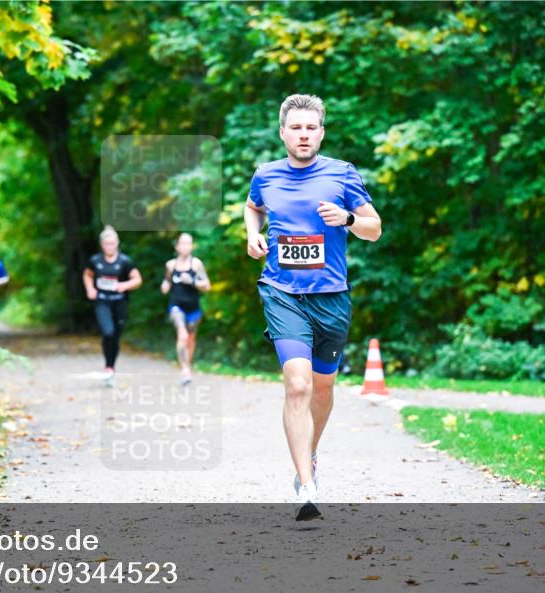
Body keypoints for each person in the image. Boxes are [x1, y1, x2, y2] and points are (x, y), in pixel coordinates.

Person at [244, 94, 383, 520]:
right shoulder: (265, 175)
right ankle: (306, 486)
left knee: (323, 388)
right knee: (299, 385)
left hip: (332, 297)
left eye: (311, 128)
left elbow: (374, 229)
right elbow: (253, 207)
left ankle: (311, 453)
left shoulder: (342, 174)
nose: (303, 135)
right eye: (296, 128)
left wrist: (346, 220)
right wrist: (253, 235)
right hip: (282, 292)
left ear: (321, 132)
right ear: (283, 132)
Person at [83, 226, 143, 386]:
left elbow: (137, 279)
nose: (110, 246)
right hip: (102, 301)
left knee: (116, 335)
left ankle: (111, 366)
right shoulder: (95, 261)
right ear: (102, 244)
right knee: (108, 331)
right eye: (107, 243)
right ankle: (108, 367)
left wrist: (124, 285)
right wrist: (90, 289)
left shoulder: (125, 261)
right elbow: (87, 274)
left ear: (117, 243)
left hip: (120, 302)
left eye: (113, 243)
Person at [160, 233, 211, 385]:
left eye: (189, 243)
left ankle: (187, 366)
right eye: (183, 243)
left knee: (190, 339)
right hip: (176, 306)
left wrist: (193, 281)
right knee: (182, 335)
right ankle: (185, 370)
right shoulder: (171, 265)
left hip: (193, 309)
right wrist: (165, 286)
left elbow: (207, 286)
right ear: (177, 246)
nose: (186, 246)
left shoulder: (196, 264)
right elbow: (167, 281)